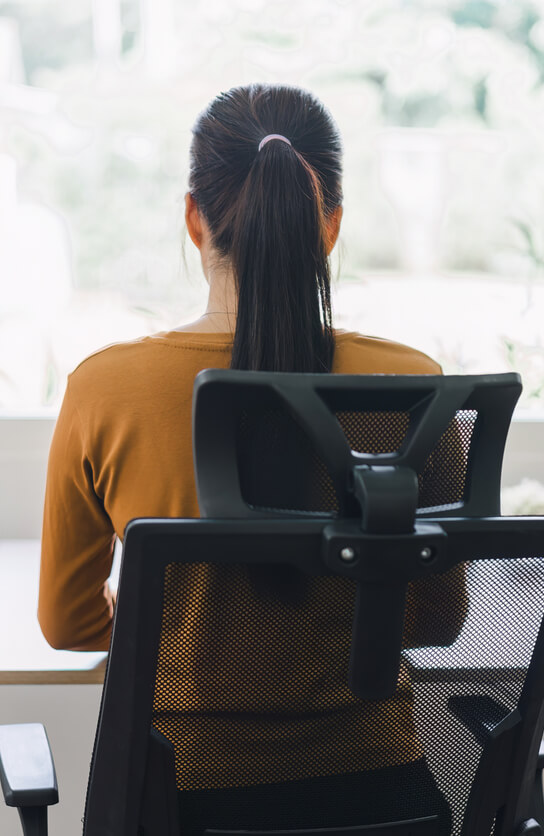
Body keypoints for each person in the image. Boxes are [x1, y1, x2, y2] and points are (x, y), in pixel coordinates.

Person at [39, 83, 461, 833]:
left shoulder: (106, 388)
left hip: (179, 800)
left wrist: (171, 626)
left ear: (195, 218)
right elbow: (436, 618)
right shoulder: (412, 387)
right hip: (381, 803)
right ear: (329, 225)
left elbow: (69, 624)